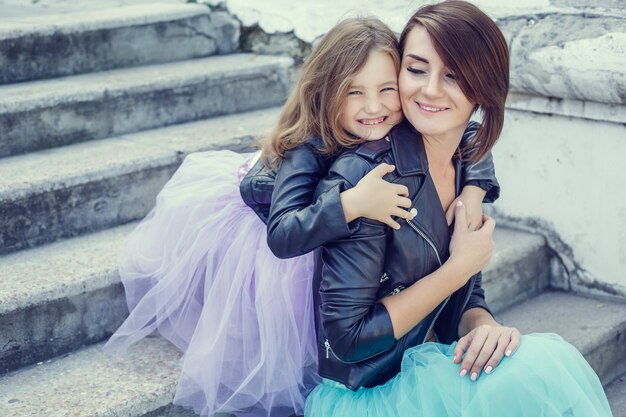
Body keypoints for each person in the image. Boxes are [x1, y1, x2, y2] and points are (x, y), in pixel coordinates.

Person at [104, 16, 499, 417]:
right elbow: (283, 236)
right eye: (354, 92)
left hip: (326, 221)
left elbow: (468, 133)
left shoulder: (414, 129)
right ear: (327, 95)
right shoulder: (307, 148)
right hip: (277, 226)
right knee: (280, 328)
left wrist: (474, 188)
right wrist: (353, 204)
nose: (375, 107)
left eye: (386, 89)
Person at [304, 2, 612, 416]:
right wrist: (457, 268)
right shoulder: (369, 180)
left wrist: (484, 328)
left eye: (453, 75)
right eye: (415, 69)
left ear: (482, 90)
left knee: (537, 368)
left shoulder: (464, 164)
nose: (430, 89)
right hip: (369, 387)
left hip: (425, 360)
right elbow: (349, 339)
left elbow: (467, 295)